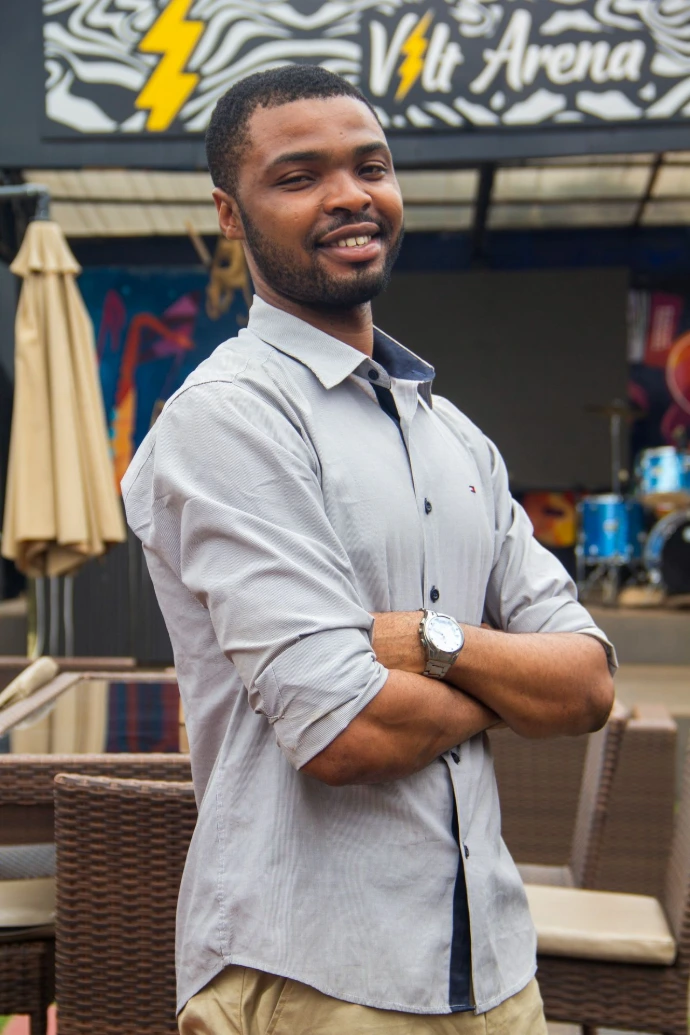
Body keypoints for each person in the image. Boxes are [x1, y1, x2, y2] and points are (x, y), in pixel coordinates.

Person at [122, 65, 616, 1035]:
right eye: (299, 176)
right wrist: (511, 687)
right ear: (232, 214)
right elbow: (344, 732)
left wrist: (429, 643)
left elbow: (591, 683)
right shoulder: (230, 420)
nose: (351, 195)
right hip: (316, 977)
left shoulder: (458, 438)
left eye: (371, 167)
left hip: (498, 974)